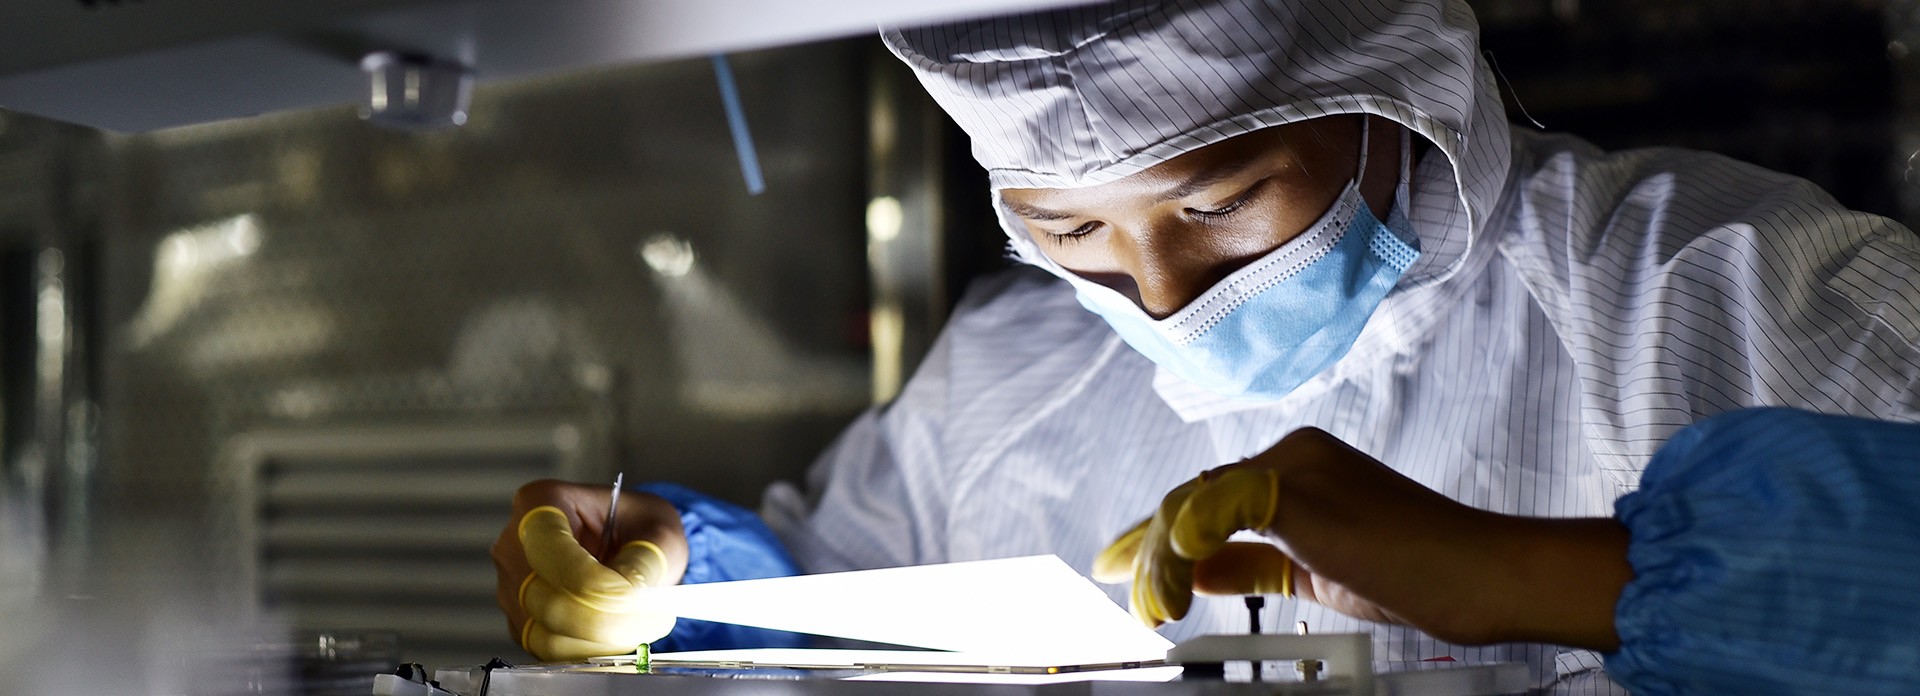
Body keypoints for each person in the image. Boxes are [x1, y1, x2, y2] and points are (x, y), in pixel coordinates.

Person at [492, 0, 1920, 692]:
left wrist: (1546, 575)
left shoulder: (1734, 298)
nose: (1159, 294)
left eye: (1221, 204)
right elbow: (846, 615)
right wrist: (682, 586)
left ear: (1390, 96)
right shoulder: (1006, 376)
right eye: (1072, 229)